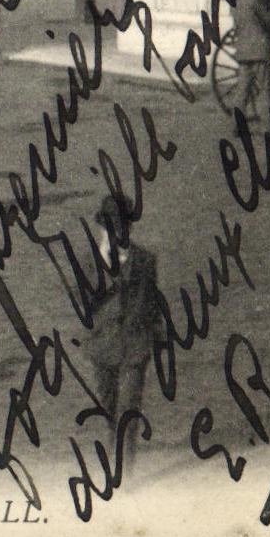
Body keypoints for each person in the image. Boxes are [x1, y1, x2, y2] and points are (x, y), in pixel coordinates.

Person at [87, 194, 160, 467]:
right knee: (109, 410)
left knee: (128, 410)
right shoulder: (88, 261)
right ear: (102, 229)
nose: (117, 232)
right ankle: (113, 448)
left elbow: (152, 302)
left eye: (122, 227)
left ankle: (124, 471)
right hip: (102, 347)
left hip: (135, 346)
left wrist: (155, 339)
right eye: (110, 227)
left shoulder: (144, 260)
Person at [231, 0, 270, 131]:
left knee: (242, 91)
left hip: (243, 52)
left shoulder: (235, 2)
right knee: (264, 91)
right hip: (259, 52)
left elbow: (238, 26)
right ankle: (268, 129)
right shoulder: (255, 0)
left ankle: (236, 126)